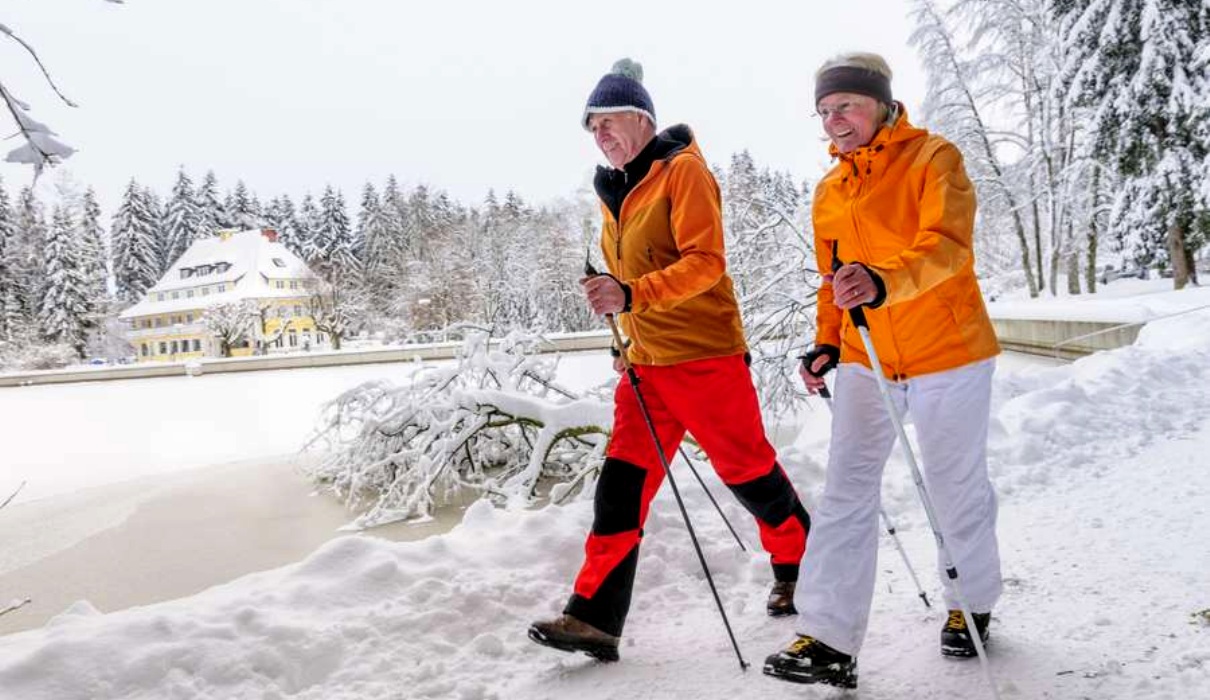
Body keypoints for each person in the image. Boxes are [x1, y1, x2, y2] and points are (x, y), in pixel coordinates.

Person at [527, 58, 811, 663]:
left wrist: (632, 293)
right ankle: (595, 618)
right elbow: (623, 281)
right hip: (645, 369)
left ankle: (801, 563)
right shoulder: (616, 193)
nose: (599, 134)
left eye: (608, 121)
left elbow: (706, 262)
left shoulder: (683, 173)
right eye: (591, 127)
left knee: (749, 474)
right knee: (620, 491)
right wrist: (620, 334)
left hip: (705, 358)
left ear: (642, 118)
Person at [763, 52, 1004, 689]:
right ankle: (831, 638)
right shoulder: (830, 190)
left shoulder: (934, 159)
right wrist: (825, 344)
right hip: (867, 354)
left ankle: (970, 603)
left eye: (844, 105)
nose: (833, 120)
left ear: (879, 102)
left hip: (948, 350)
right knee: (845, 490)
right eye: (823, 110)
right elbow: (832, 280)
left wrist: (882, 281)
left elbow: (948, 246)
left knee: (954, 484)